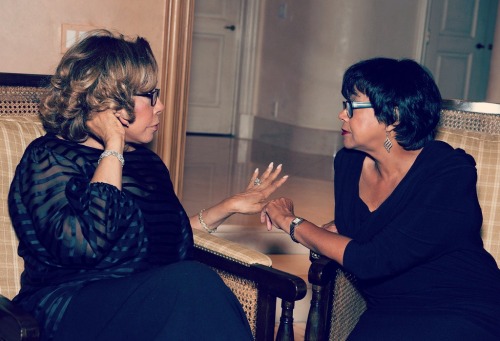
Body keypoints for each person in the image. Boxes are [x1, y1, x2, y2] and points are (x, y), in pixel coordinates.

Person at [8, 29, 287, 341]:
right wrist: (113, 145)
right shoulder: (48, 158)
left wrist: (230, 206)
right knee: (192, 282)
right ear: (111, 102)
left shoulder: (148, 164)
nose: (162, 106)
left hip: (145, 307)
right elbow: (86, 246)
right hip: (71, 308)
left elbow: (166, 241)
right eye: (151, 96)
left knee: (191, 286)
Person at [262, 58, 500, 340]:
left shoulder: (448, 171)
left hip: (460, 307)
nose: (341, 115)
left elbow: (372, 259)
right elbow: (368, 231)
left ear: (393, 116)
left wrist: (290, 222)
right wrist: (335, 230)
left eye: (351, 106)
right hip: (388, 310)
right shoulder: (348, 163)